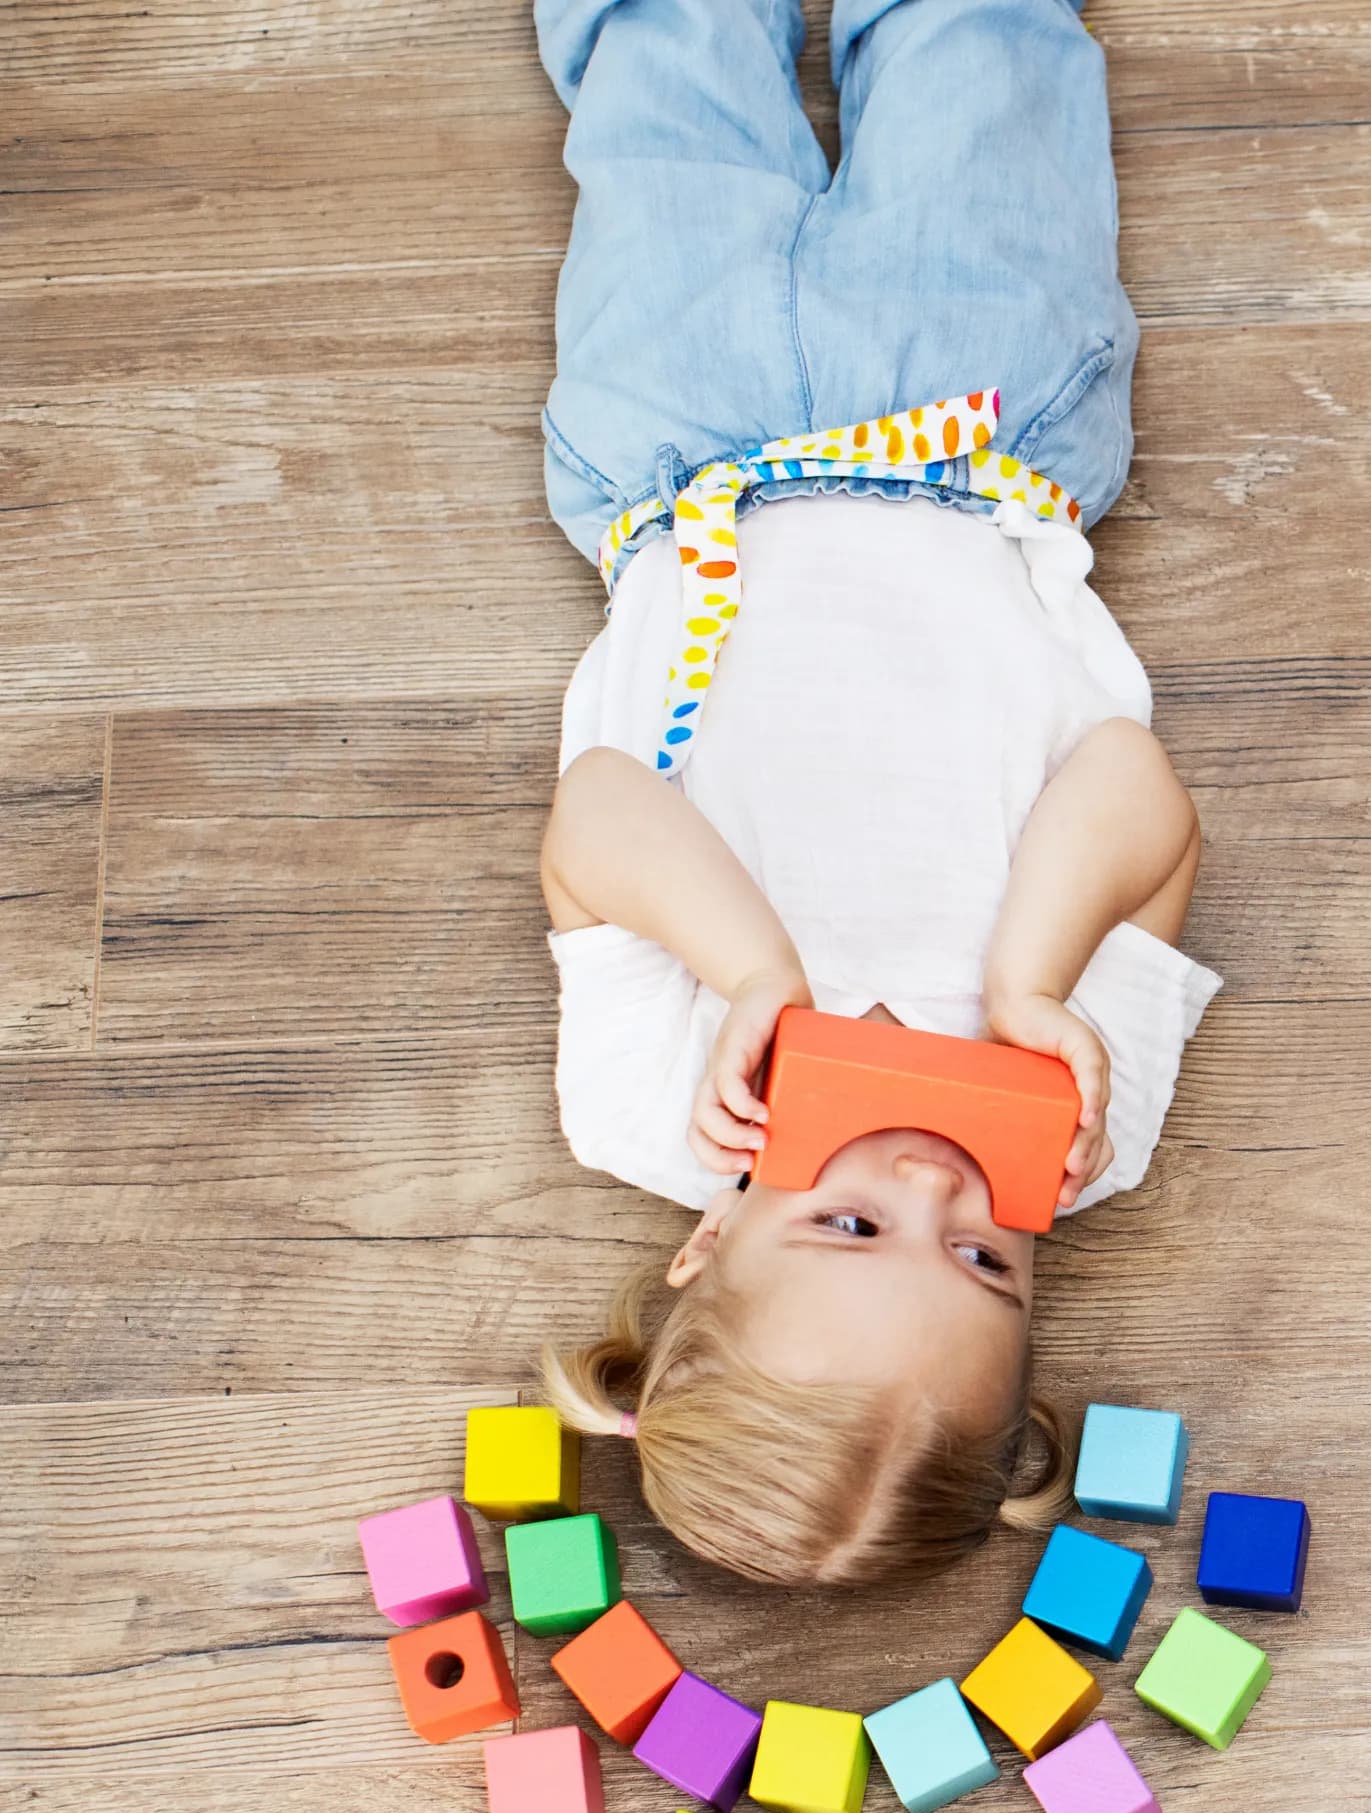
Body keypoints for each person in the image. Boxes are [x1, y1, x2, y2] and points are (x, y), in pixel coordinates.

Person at [527, 0, 1211, 1585]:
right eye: (986, 1259)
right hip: (988, 423)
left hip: (677, 440)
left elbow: (601, 812)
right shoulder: (1092, 1116)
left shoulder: (648, 1107)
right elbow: (1137, 788)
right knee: (986, 54)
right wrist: (1030, 982)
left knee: (663, 60)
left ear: (709, 1241)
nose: (931, 1183)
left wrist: (753, 976)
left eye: (847, 1227)